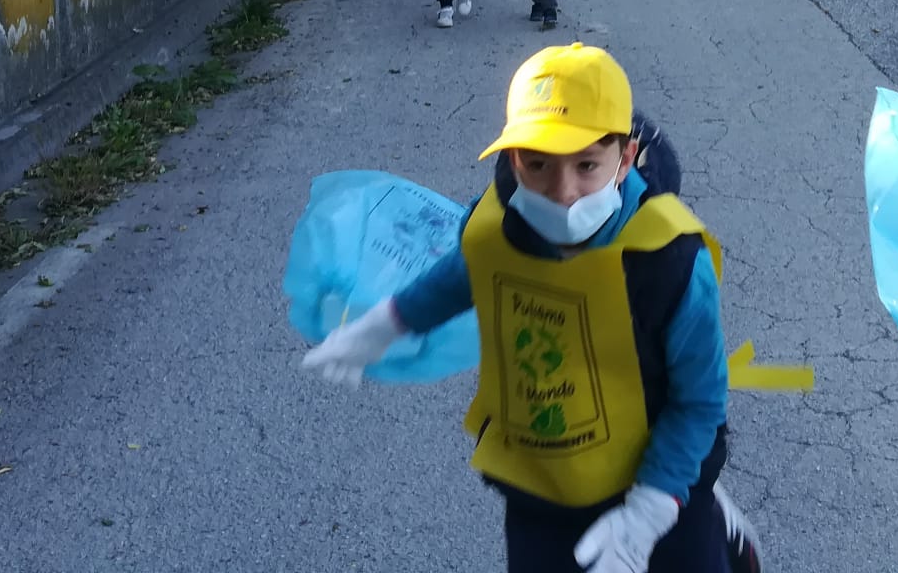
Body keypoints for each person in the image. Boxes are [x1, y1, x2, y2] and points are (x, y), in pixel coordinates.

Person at [302, 44, 745, 573]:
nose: (562, 193)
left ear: (625, 158)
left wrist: (650, 509)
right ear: (514, 159)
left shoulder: (669, 260)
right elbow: (461, 275)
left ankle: (717, 525)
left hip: (659, 470)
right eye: (538, 165)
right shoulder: (499, 228)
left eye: (587, 165)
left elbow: (699, 401)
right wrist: (382, 327)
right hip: (546, 473)